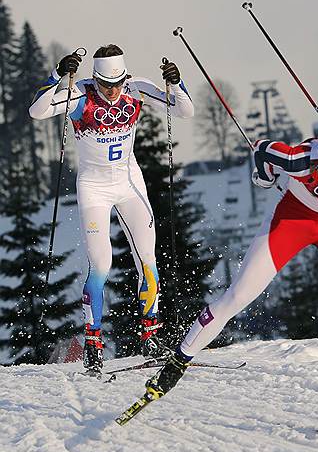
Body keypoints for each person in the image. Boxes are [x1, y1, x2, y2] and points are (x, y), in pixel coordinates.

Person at [141, 123, 318, 433]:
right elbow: (263, 149)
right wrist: (265, 177)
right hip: (294, 219)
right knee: (238, 296)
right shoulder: (303, 159)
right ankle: (176, 364)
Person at [29, 45, 194, 373]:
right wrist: (57, 76)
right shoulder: (79, 96)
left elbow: (185, 111)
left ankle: (151, 334)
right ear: (94, 79)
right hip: (94, 189)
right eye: (106, 85)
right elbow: (37, 111)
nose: (114, 91)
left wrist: (176, 83)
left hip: (130, 185)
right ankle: (93, 342)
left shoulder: (137, 88)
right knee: (101, 264)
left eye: (118, 83)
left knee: (148, 259)